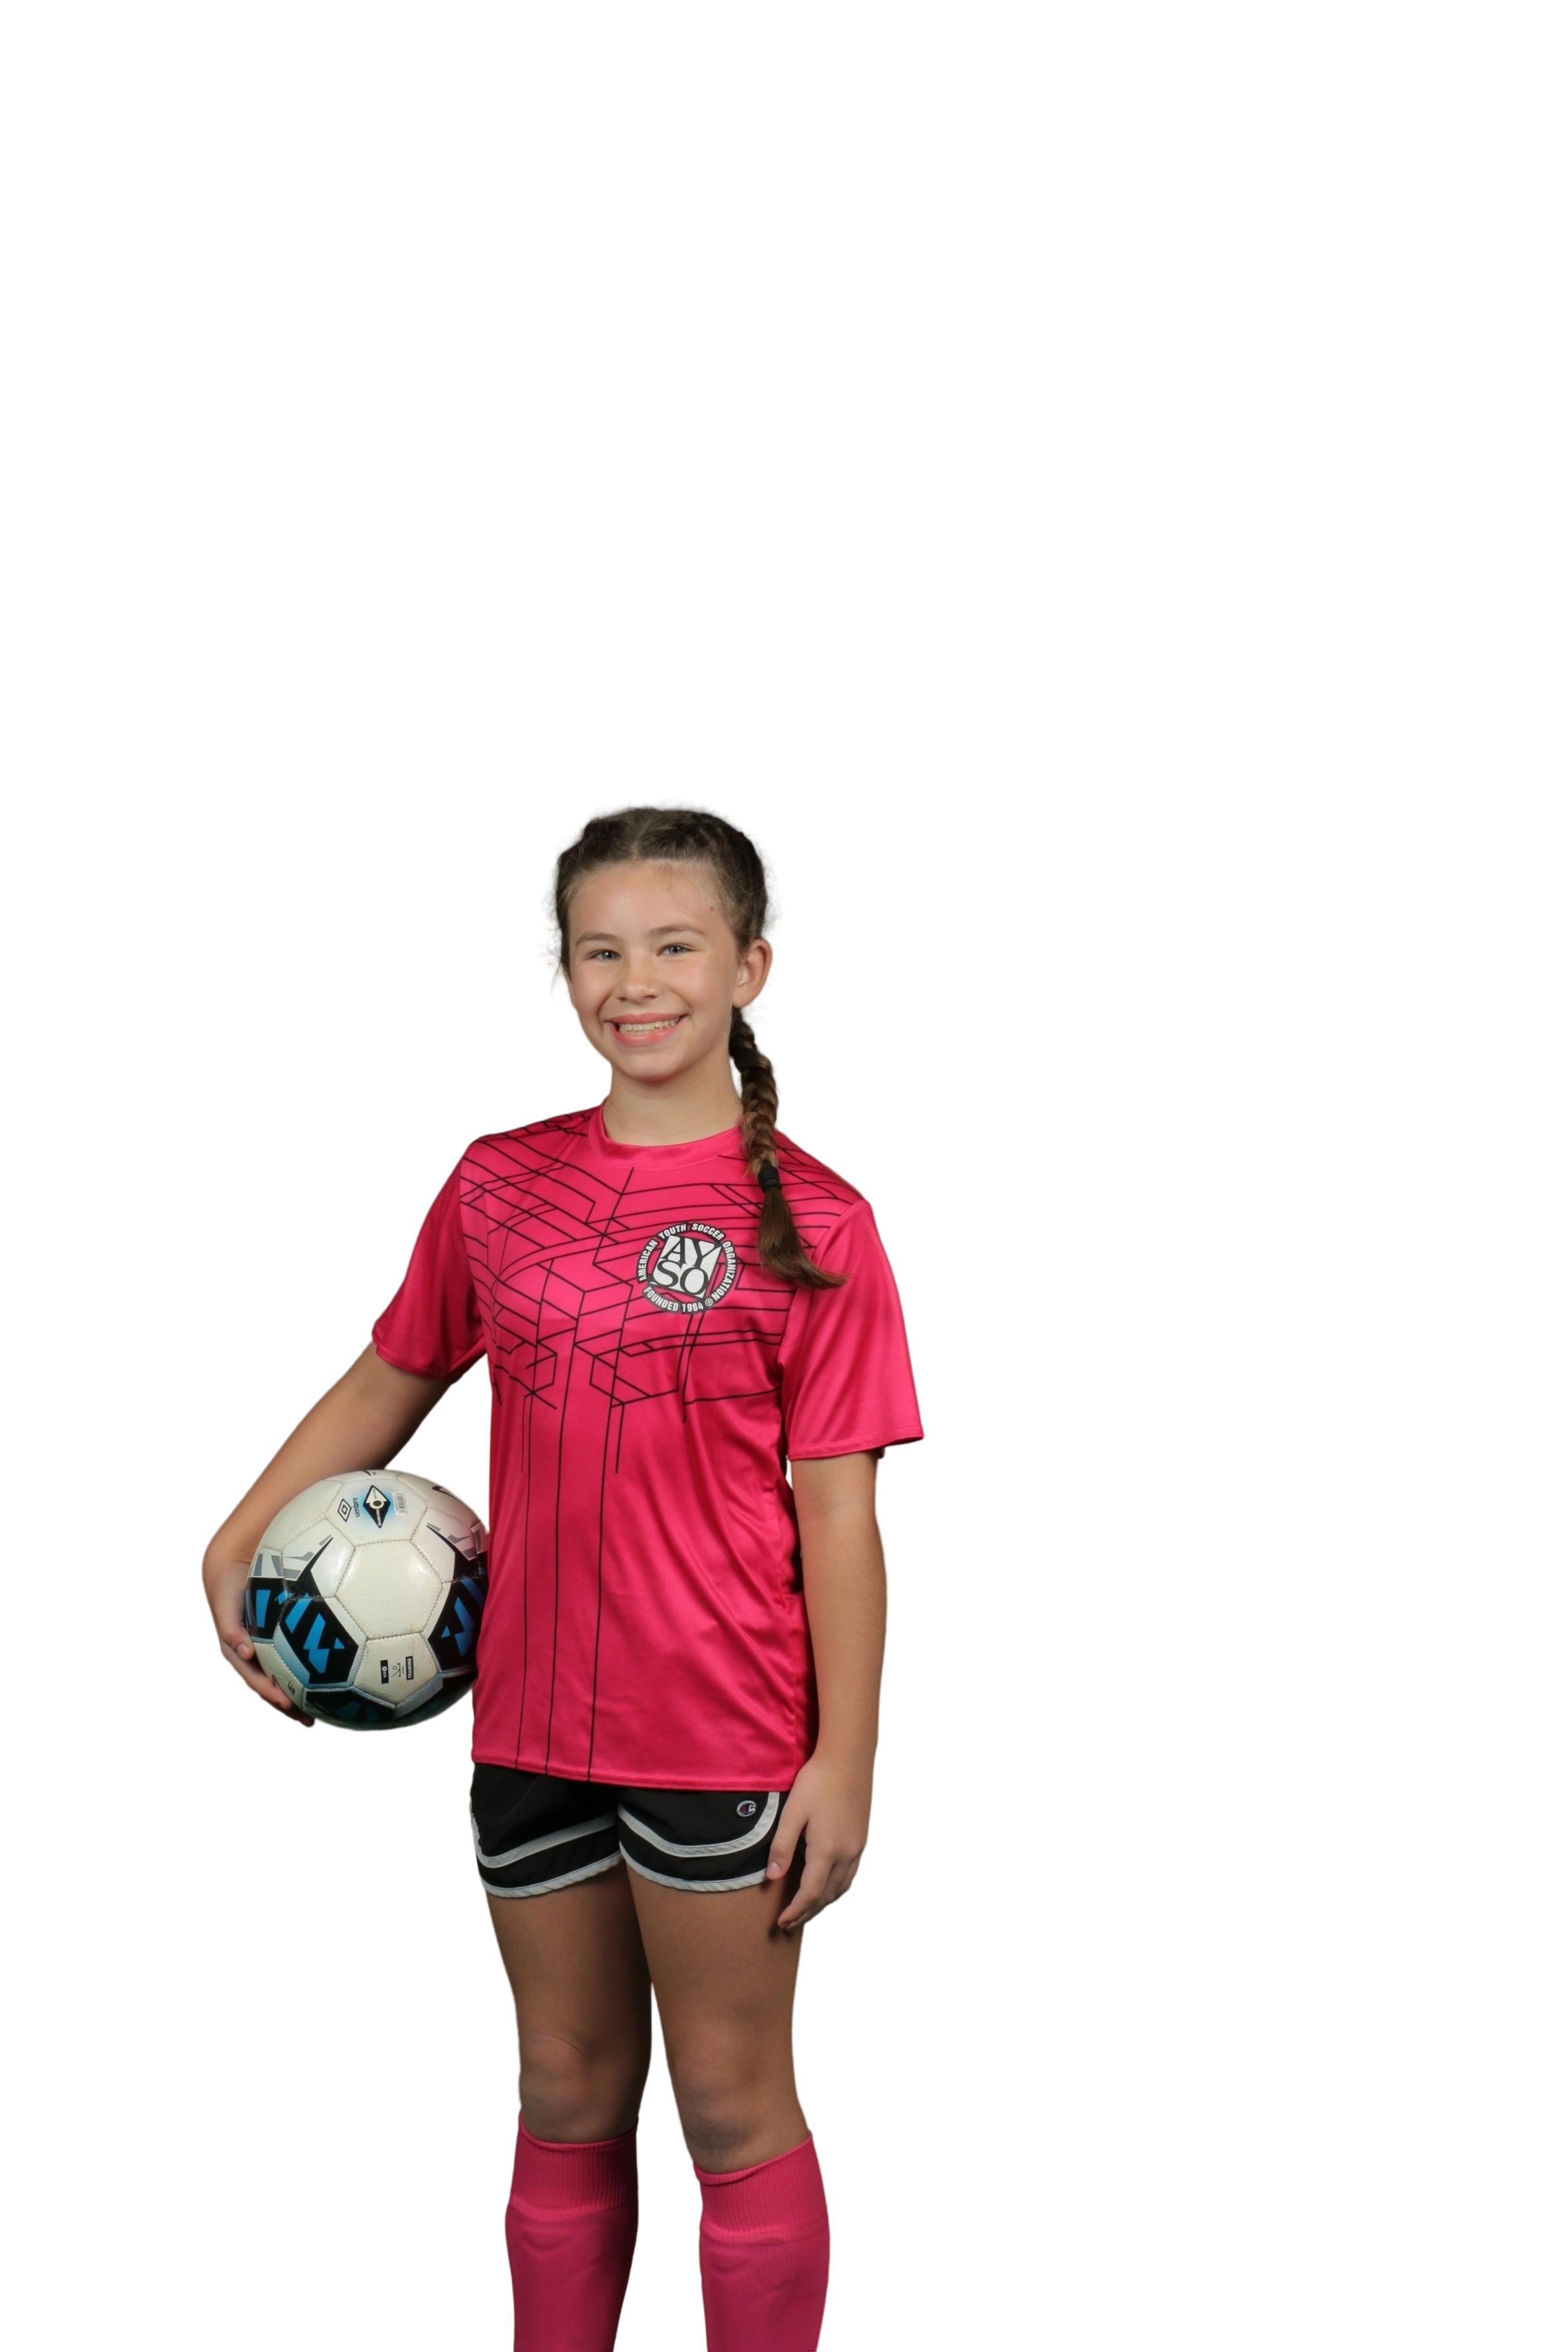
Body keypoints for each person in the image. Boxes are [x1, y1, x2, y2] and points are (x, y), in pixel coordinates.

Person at [199, 794, 927, 2351]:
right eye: (600, 951)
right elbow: (390, 1376)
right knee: (560, 2084)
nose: (635, 981)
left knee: (727, 2098)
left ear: (755, 966)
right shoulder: (495, 1184)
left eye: (676, 945)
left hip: (726, 1730)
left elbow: (839, 1516)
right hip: (527, 1720)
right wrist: (234, 1538)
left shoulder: (820, 1223)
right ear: (554, 978)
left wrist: (847, 1762)